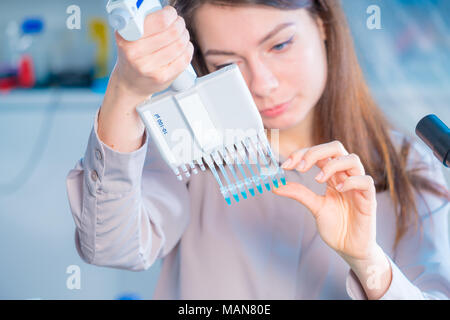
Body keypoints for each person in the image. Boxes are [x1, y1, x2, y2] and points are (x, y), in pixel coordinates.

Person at [66, 0, 450, 299]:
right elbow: (108, 247)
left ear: (322, 24)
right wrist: (126, 90)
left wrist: (368, 263)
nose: (263, 83)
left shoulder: (408, 165)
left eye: (280, 45)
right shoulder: (189, 149)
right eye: (227, 62)